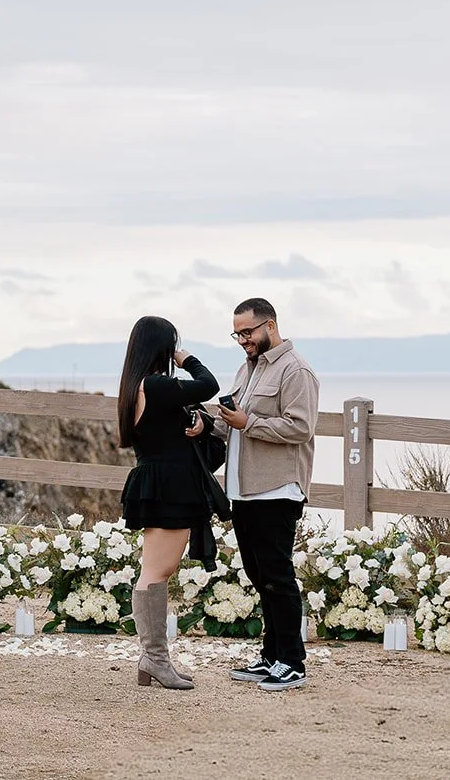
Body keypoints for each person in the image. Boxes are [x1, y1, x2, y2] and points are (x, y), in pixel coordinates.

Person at [212, 297, 318, 692]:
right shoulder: (247, 368)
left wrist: (247, 421)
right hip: (244, 489)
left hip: (277, 488)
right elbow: (236, 424)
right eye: (236, 333)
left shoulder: (297, 370)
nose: (242, 340)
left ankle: (293, 662)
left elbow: (300, 428)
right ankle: (272, 657)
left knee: (278, 575)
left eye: (247, 332)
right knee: (259, 575)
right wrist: (213, 425)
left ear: (269, 326)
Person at [117, 315, 219, 690]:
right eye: (171, 344)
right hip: (169, 487)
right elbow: (208, 385)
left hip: (158, 482)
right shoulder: (155, 385)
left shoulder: (135, 387)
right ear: (161, 347)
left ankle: (154, 658)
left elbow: (168, 427)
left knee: (155, 570)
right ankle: (154, 657)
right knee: (157, 572)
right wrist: (187, 358)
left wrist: (198, 425)